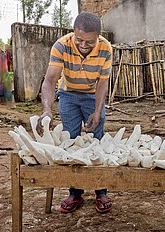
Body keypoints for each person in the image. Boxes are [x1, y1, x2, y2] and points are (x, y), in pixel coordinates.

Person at [37, 12, 113, 214]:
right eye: (79, 39)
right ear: (73, 32)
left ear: (98, 36)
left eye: (90, 41)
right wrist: (47, 109)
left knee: (96, 138)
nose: (83, 44)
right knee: (70, 140)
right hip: (68, 94)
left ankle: (101, 191)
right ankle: (75, 192)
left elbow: (103, 82)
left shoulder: (105, 48)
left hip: (92, 94)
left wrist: (97, 111)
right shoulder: (61, 46)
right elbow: (50, 80)